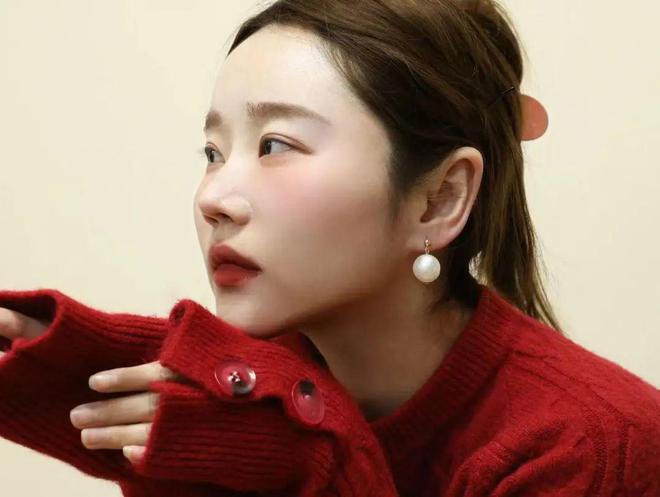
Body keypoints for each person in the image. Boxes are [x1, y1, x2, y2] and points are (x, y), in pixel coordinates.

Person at [0, 1, 658, 496]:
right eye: (212, 152)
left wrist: (319, 459)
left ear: (439, 200)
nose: (213, 198)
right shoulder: (249, 401)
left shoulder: (591, 449)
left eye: (276, 146)